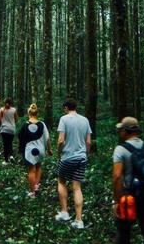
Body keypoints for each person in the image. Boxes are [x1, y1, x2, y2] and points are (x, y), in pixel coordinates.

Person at [55, 98, 92, 229]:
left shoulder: (64, 119)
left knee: (61, 181)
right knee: (77, 187)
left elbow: (60, 140)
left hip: (67, 157)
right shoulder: (85, 120)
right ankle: (79, 220)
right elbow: (88, 142)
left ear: (66, 108)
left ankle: (64, 212)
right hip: (81, 158)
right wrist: (85, 155)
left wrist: (59, 152)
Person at [18, 104, 53, 198]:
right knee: (38, 167)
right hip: (40, 150)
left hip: (29, 151)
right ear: (37, 113)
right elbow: (47, 138)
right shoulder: (42, 124)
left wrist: (21, 149)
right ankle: (36, 186)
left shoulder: (25, 125)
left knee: (31, 170)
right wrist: (49, 149)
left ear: (29, 113)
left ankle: (32, 192)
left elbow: (20, 137)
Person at [0, 98, 18, 165]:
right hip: (12, 129)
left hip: (4, 129)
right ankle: (11, 156)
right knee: (10, 143)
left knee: (5, 144)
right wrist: (11, 123)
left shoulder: (2, 109)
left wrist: (3, 123)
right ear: (11, 103)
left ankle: (6, 160)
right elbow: (16, 119)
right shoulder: (14, 110)